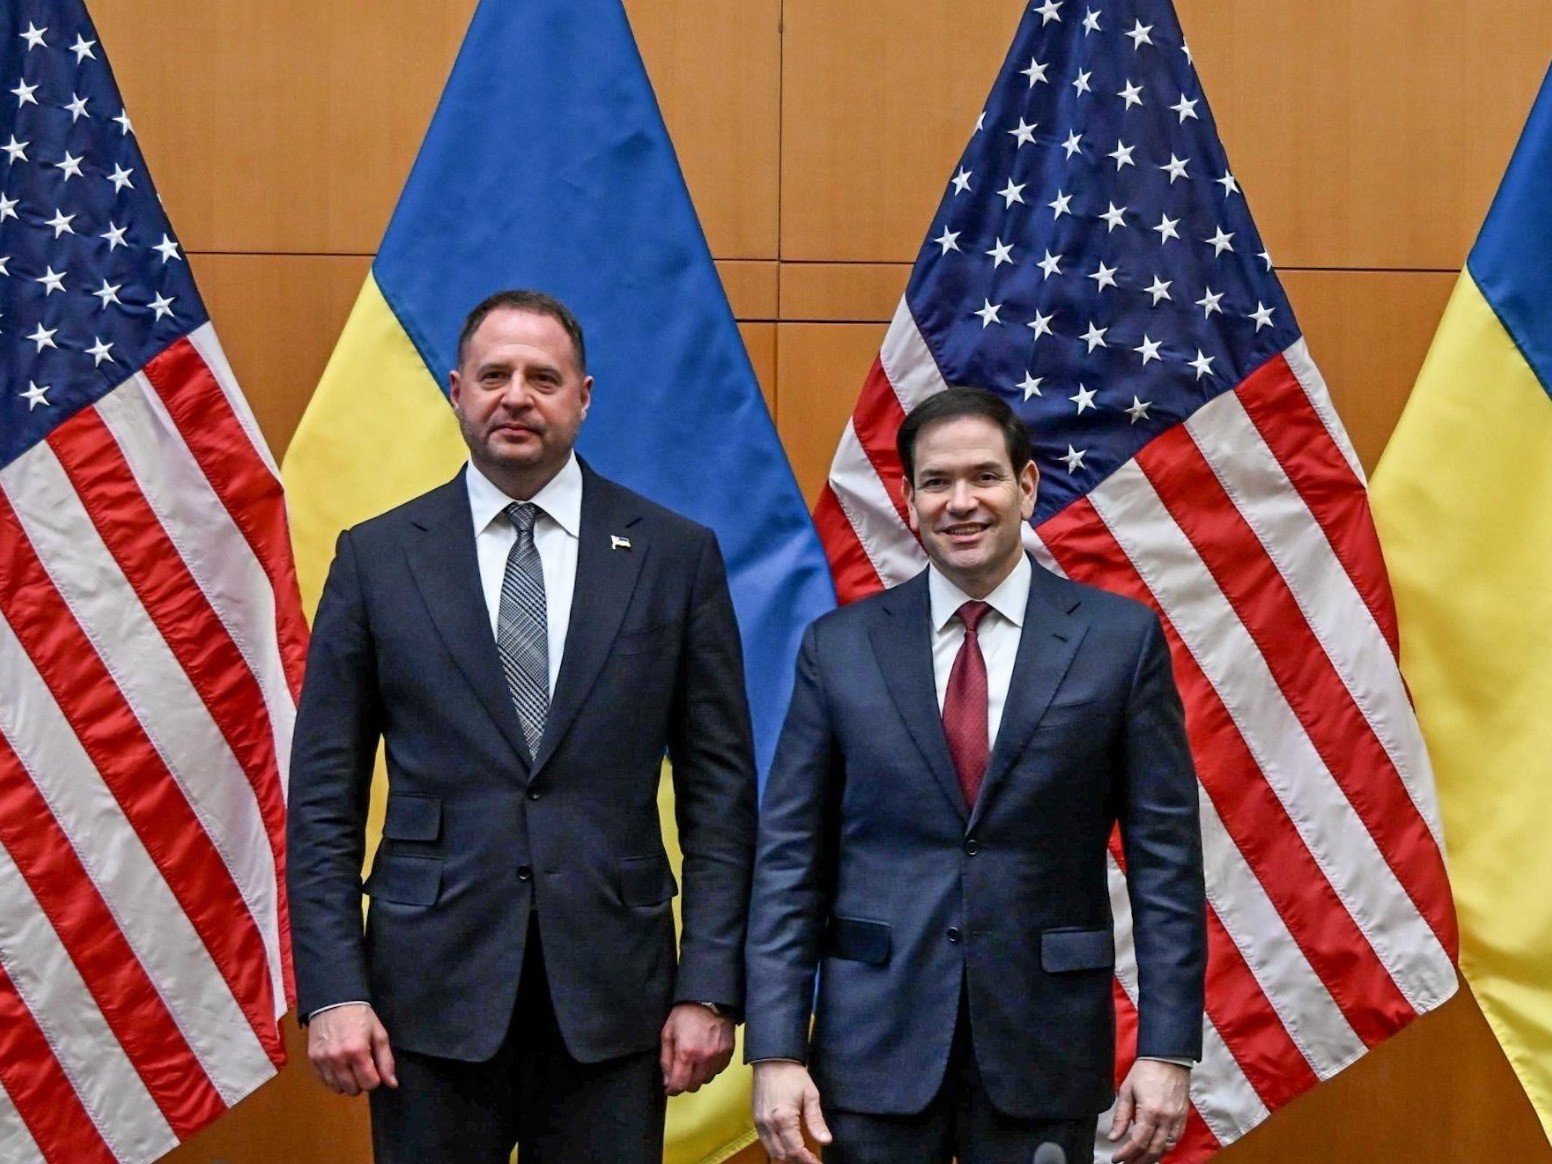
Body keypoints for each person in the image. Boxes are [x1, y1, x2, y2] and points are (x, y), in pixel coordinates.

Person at [286, 289, 756, 1163]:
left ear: (583, 397)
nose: (516, 396)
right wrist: (334, 990)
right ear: (456, 391)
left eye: (543, 378)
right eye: (494, 375)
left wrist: (710, 987)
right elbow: (322, 800)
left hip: (615, 1000)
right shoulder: (377, 557)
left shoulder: (674, 556)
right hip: (425, 999)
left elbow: (721, 799)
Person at [745, 387, 1207, 1164]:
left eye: (984, 477)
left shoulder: (1117, 642)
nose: (961, 502)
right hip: (874, 1048)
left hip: (1045, 1044)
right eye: (937, 482)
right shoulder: (840, 647)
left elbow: (1167, 862)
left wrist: (1166, 1049)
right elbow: (791, 859)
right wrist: (777, 1050)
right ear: (908, 500)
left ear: (1025, 486)